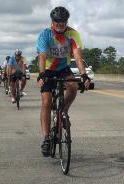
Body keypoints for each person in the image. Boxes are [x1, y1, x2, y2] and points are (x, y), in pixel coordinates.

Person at [36, 6, 90, 157]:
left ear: (67, 21)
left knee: (73, 87)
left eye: (63, 21)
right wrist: (41, 74)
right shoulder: (45, 35)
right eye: (56, 21)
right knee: (46, 101)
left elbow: (77, 56)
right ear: (52, 21)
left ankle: (63, 111)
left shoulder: (73, 34)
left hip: (63, 68)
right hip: (48, 70)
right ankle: (46, 138)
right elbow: (41, 56)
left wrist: (84, 74)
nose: (60, 23)